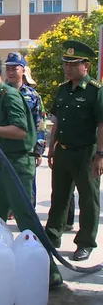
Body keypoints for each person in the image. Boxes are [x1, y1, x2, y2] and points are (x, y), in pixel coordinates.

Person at [0, 52, 63, 289]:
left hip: (18, 164)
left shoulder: (10, 96)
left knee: (26, 218)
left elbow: (21, 131)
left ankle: (50, 273)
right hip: (4, 163)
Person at [45, 40, 103, 262]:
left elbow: (101, 125)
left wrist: (100, 156)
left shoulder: (95, 92)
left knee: (88, 199)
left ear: (85, 66)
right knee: (59, 196)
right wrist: (52, 147)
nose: (67, 68)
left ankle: (85, 242)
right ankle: (52, 236)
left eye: (73, 64)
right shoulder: (62, 90)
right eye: (65, 64)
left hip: (86, 154)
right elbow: (57, 120)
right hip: (63, 152)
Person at [2, 52, 46, 210]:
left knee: (27, 184)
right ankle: (7, 213)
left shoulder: (33, 96)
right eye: (8, 68)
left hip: (26, 149)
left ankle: (28, 215)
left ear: (23, 70)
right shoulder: (1, 94)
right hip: (5, 147)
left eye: (15, 68)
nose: (11, 72)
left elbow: (39, 123)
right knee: (4, 183)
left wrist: (39, 149)